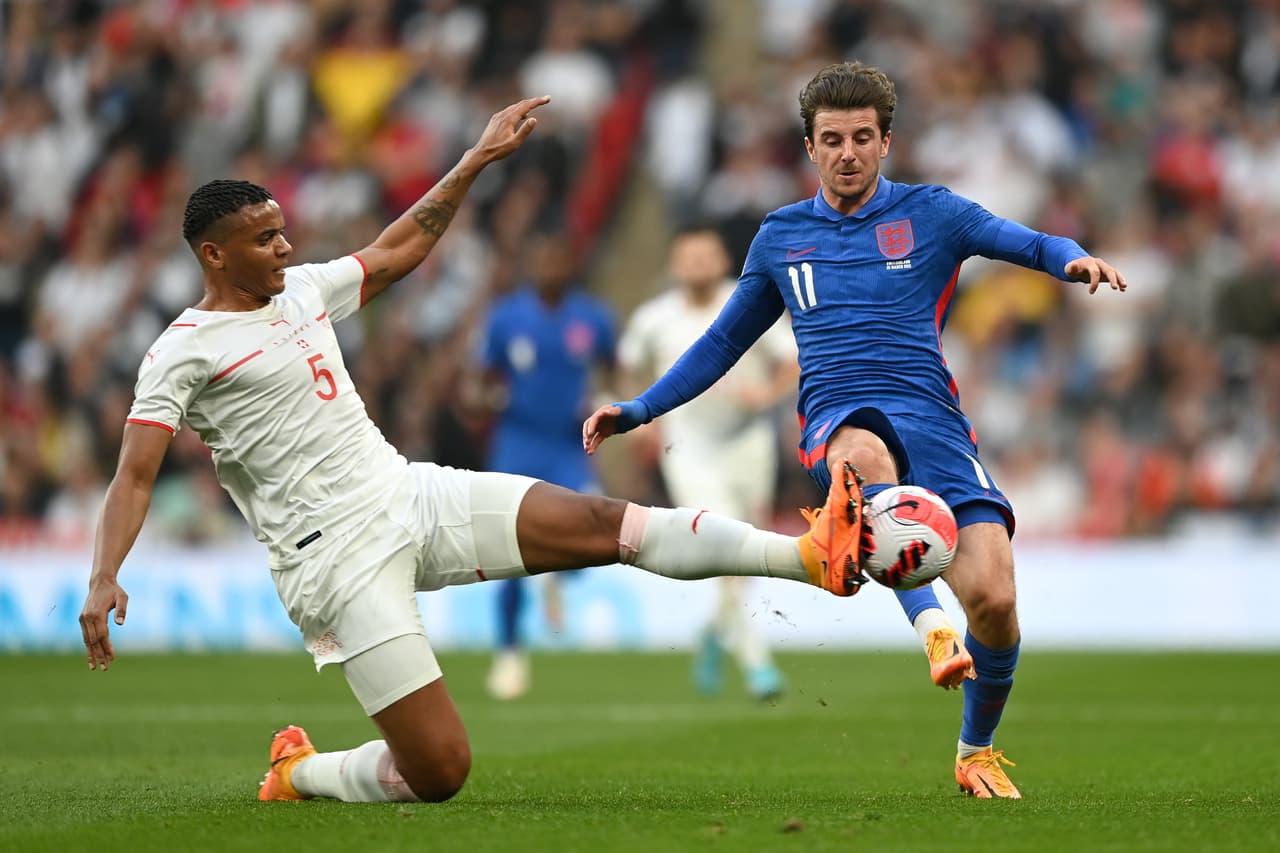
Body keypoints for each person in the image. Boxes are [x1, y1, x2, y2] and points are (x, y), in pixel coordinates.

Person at [78, 95, 867, 806]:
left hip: (405, 492)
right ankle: (302, 772)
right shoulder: (182, 351)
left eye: (283, 231)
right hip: (331, 558)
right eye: (263, 239)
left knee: (606, 520)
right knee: (440, 773)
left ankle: (807, 554)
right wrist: (105, 574)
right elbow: (134, 476)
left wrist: (475, 160)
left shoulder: (305, 289)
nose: (285, 248)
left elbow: (397, 250)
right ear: (214, 256)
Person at [584, 62, 1128, 799]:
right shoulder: (781, 236)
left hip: (936, 423)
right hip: (839, 417)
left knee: (996, 604)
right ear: (809, 147)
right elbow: (721, 343)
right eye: (832, 139)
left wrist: (1073, 259)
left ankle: (976, 752)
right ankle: (931, 626)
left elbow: (1023, 241)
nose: (848, 152)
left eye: (862, 137)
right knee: (864, 455)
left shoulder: (933, 213)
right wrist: (641, 408)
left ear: (886, 141)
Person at [617, 224, 796, 701]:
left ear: (722, 261)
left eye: (706, 255)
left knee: (748, 559)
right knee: (725, 547)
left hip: (748, 445)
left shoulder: (748, 303)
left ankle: (716, 633)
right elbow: (628, 366)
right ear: (674, 265)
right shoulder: (653, 319)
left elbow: (791, 361)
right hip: (689, 450)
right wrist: (646, 419)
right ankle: (758, 664)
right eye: (687, 256)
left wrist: (767, 394)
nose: (697, 264)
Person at [472, 229, 617, 700]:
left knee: (596, 536)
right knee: (505, 553)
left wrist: (605, 400)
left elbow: (613, 370)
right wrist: (489, 396)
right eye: (542, 259)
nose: (549, 267)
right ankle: (509, 655)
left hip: (570, 445)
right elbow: (479, 382)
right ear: (530, 264)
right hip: (517, 443)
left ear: (570, 263)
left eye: (558, 257)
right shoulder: (506, 317)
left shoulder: (593, 317)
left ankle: (553, 575)